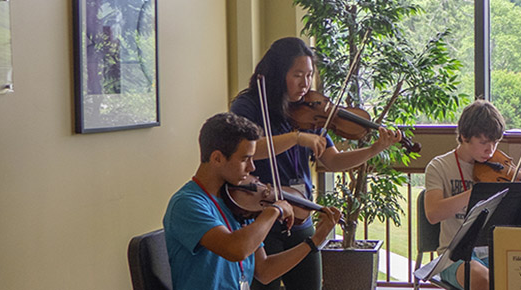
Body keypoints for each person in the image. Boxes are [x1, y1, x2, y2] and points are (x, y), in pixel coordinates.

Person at [228, 37, 402, 290]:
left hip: (300, 215)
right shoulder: (249, 106)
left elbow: (332, 160)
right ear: (277, 74)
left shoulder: (309, 111)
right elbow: (247, 149)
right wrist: (296, 138)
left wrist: (375, 149)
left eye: (309, 75)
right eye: (298, 74)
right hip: (260, 217)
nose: (305, 83)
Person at [163, 112, 342, 290]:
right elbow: (235, 249)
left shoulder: (237, 202)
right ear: (217, 158)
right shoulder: (187, 204)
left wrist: (314, 241)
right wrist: (274, 211)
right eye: (245, 159)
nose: (252, 167)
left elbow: (264, 271)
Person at [423, 100, 506, 290]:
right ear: (464, 136)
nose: (490, 150)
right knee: (483, 280)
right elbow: (433, 213)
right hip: (454, 256)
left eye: (495, 142)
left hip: (494, 252)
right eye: (483, 142)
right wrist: (476, 193)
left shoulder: (498, 169)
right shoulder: (439, 166)